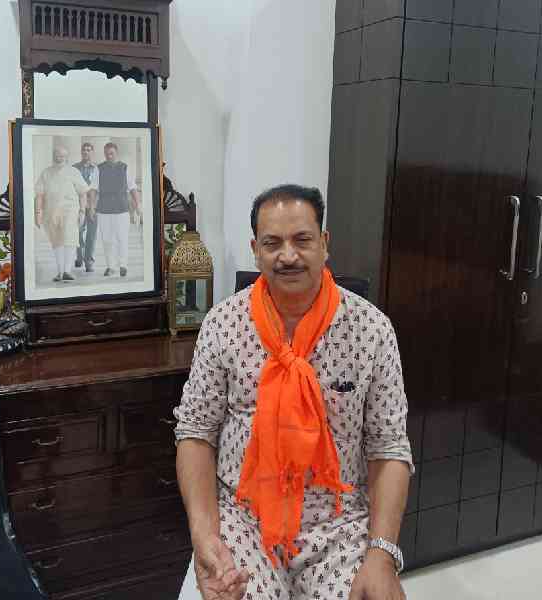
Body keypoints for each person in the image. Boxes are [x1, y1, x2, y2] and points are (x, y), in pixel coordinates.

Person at [173, 184, 414, 600]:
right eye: (273, 243)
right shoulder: (222, 325)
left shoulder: (372, 330)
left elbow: (389, 449)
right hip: (245, 518)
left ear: (324, 243)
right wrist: (204, 535)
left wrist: (382, 553)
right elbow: (195, 433)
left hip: (338, 525)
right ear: (255, 250)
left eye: (302, 239)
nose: (288, 255)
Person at [33, 146, 91, 282]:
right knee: (57, 241)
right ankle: (60, 272)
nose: (60, 158)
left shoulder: (73, 172)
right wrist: (38, 212)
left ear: (67, 157)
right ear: (54, 156)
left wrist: (82, 211)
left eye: (63, 156)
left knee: (70, 239)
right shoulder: (46, 173)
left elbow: (83, 193)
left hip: (70, 210)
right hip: (51, 211)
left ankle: (67, 271)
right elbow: (39, 195)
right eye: (58, 155)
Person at [95, 142, 140, 277]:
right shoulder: (99, 169)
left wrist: (138, 205)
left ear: (116, 153)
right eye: (107, 154)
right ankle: (110, 266)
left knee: (122, 238)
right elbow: (93, 189)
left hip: (122, 209)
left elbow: (133, 188)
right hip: (104, 209)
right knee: (107, 239)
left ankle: (123, 265)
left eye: (111, 153)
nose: (109, 156)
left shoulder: (124, 168)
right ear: (104, 154)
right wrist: (91, 207)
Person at [73, 142, 100, 273]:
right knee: (77, 232)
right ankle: (79, 255)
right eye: (84, 150)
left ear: (92, 152)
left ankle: (89, 261)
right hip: (78, 206)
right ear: (81, 152)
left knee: (91, 234)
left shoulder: (97, 169)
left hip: (93, 205)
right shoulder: (74, 168)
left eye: (89, 150)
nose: (86, 152)